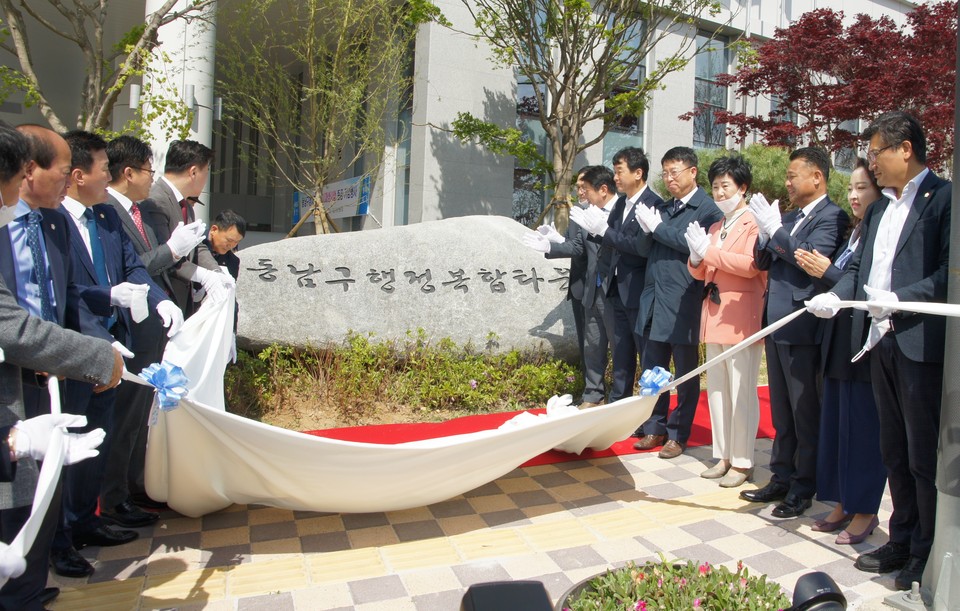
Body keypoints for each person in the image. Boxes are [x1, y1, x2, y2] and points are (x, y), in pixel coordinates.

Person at [807, 111, 950, 590]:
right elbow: (863, 269)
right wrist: (838, 294)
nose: (872, 162)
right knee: (893, 449)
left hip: (917, 343)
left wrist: (905, 300)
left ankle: (925, 550)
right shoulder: (882, 209)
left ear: (905, 149)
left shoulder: (944, 199)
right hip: (879, 339)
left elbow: (949, 275)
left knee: (921, 455)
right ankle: (902, 537)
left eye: (876, 152)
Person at [0, 119, 123, 611]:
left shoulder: (54, 221)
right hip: (13, 381)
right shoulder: (8, 220)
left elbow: (67, 296)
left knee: (44, 494)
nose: (68, 180)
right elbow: (11, 325)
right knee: (14, 500)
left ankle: (32, 579)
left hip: (56, 374)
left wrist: (95, 348)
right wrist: (97, 357)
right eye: (62, 171)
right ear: (28, 172)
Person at [52, 130, 181, 577]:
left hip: (115, 349)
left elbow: (132, 267)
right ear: (76, 175)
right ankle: (59, 538)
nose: (109, 175)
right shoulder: (54, 221)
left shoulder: (104, 216)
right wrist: (105, 303)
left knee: (99, 440)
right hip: (78, 350)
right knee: (70, 447)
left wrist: (159, 298)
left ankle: (89, 521)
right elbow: (65, 293)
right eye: (103, 167)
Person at [740, 147, 849, 518]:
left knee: (805, 411)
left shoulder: (832, 217)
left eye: (792, 176)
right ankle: (780, 476)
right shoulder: (786, 216)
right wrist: (763, 231)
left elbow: (809, 260)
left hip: (804, 326)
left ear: (816, 176)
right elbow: (763, 260)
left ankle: (804, 486)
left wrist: (778, 231)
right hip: (776, 322)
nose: (787, 182)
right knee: (783, 411)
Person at [101, 134, 203, 519]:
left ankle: (131, 488)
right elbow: (138, 266)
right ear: (128, 172)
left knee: (138, 416)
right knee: (124, 417)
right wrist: (173, 250)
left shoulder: (135, 210)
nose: (151, 176)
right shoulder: (110, 210)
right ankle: (113, 498)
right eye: (147, 169)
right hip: (126, 328)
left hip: (150, 324)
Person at [794, 157, 887, 545]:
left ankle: (865, 509)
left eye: (862, 188)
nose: (853, 195)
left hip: (862, 342)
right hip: (836, 339)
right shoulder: (855, 231)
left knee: (863, 429)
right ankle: (842, 501)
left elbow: (858, 280)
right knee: (836, 424)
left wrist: (827, 274)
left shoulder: (881, 231)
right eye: (850, 188)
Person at [631, 147, 722, 459]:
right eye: (665, 172)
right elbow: (645, 249)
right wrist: (647, 229)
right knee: (653, 371)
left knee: (684, 373)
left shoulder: (707, 209)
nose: (669, 178)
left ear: (693, 172)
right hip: (654, 299)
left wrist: (657, 228)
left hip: (683, 301)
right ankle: (654, 427)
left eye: (675, 172)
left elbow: (692, 245)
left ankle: (677, 433)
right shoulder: (666, 209)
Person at [686, 155, 765, 486]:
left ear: (742, 188)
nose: (719, 193)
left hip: (740, 318)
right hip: (714, 313)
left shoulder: (754, 222)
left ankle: (743, 461)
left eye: (725, 186)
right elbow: (703, 270)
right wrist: (695, 256)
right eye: (715, 187)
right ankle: (723, 455)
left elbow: (750, 265)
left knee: (741, 390)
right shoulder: (717, 226)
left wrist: (708, 252)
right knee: (717, 388)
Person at [570, 147, 663, 405]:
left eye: (619, 171)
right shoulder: (621, 203)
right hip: (615, 291)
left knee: (646, 357)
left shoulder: (653, 204)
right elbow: (610, 244)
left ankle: (649, 416)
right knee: (621, 358)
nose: (616, 177)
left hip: (639, 292)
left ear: (638, 172)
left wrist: (604, 232)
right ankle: (618, 408)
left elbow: (640, 247)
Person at [526, 167, 616, 407]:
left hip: (614, 290)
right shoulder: (580, 214)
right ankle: (593, 394)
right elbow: (577, 247)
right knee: (591, 345)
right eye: (578, 187)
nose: (579, 192)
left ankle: (618, 397)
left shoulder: (620, 212)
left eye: (583, 187)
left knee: (618, 347)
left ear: (602, 188)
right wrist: (552, 245)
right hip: (587, 289)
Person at [138, 140, 233, 316]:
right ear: (194, 172)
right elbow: (163, 254)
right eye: (207, 172)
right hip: (160, 301)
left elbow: (197, 246)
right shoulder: (156, 201)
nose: (206, 179)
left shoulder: (186, 204)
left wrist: (215, 272)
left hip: (182, 300)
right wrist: (201, 275)